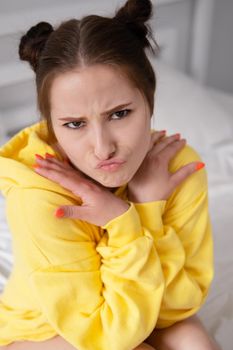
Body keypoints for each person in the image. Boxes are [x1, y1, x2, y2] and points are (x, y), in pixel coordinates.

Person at [0, 0, 220, 349]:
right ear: (52, 126)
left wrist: (148, 203)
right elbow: (111, 337)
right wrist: (128, 220)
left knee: (196, 343)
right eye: (75, 124)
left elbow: (177, 307)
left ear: (149, 101)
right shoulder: (39, 197)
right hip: (47, 330)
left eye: (119, 114)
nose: (103, 149)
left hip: (135, 309)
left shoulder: (178, 168)